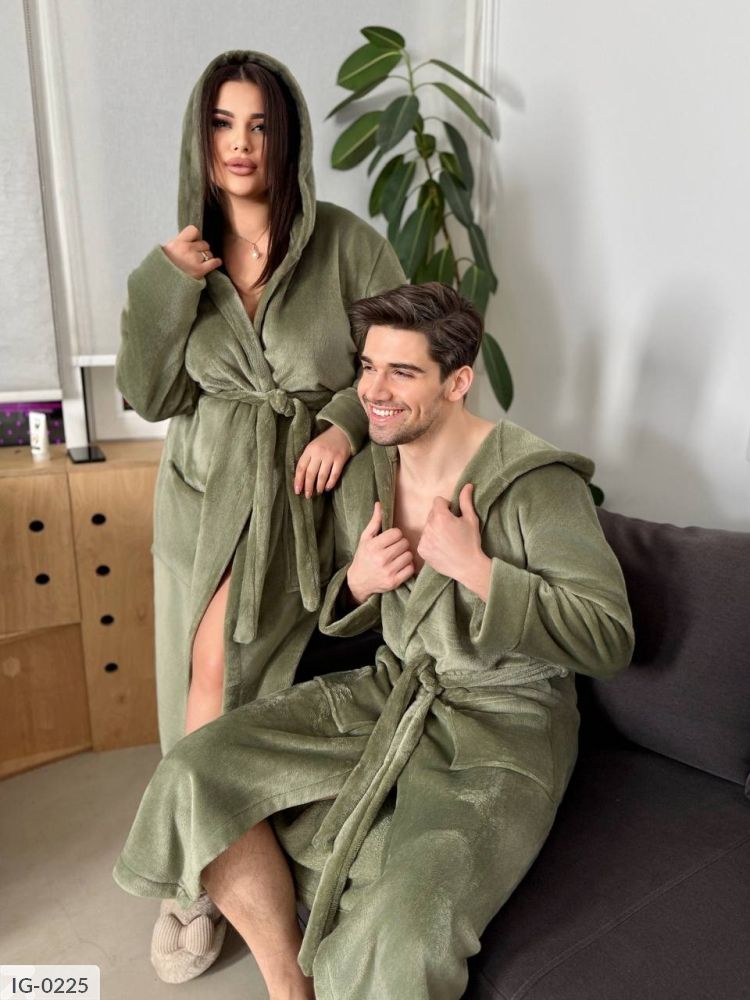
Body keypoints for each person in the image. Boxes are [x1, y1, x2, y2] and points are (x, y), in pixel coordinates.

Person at [114, 283, 634, 999]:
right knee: (194, 771)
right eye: (367, 367)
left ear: (458, 381)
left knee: (405, 930)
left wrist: (479, 570)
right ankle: (289, 985)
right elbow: (345, 608)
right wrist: (357, 585)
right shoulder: (368, 472)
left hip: (506, 725)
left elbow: (609, 638)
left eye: (401, 372)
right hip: (391, 690)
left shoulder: (536, 483)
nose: (373, 392)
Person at [115, 50, 404, 981]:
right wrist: (168, 283)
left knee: (254, 688)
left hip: (304, 505)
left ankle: (221, 863)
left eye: (260, 125)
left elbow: (402, 357)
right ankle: (195, 879)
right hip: (204, 500)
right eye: (222, 123)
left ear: (289, 139)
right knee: (203, 675)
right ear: (199, 138)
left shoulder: (349, 244)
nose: (240, 144)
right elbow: (149, 394)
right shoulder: (180, 262)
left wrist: (345, 423)